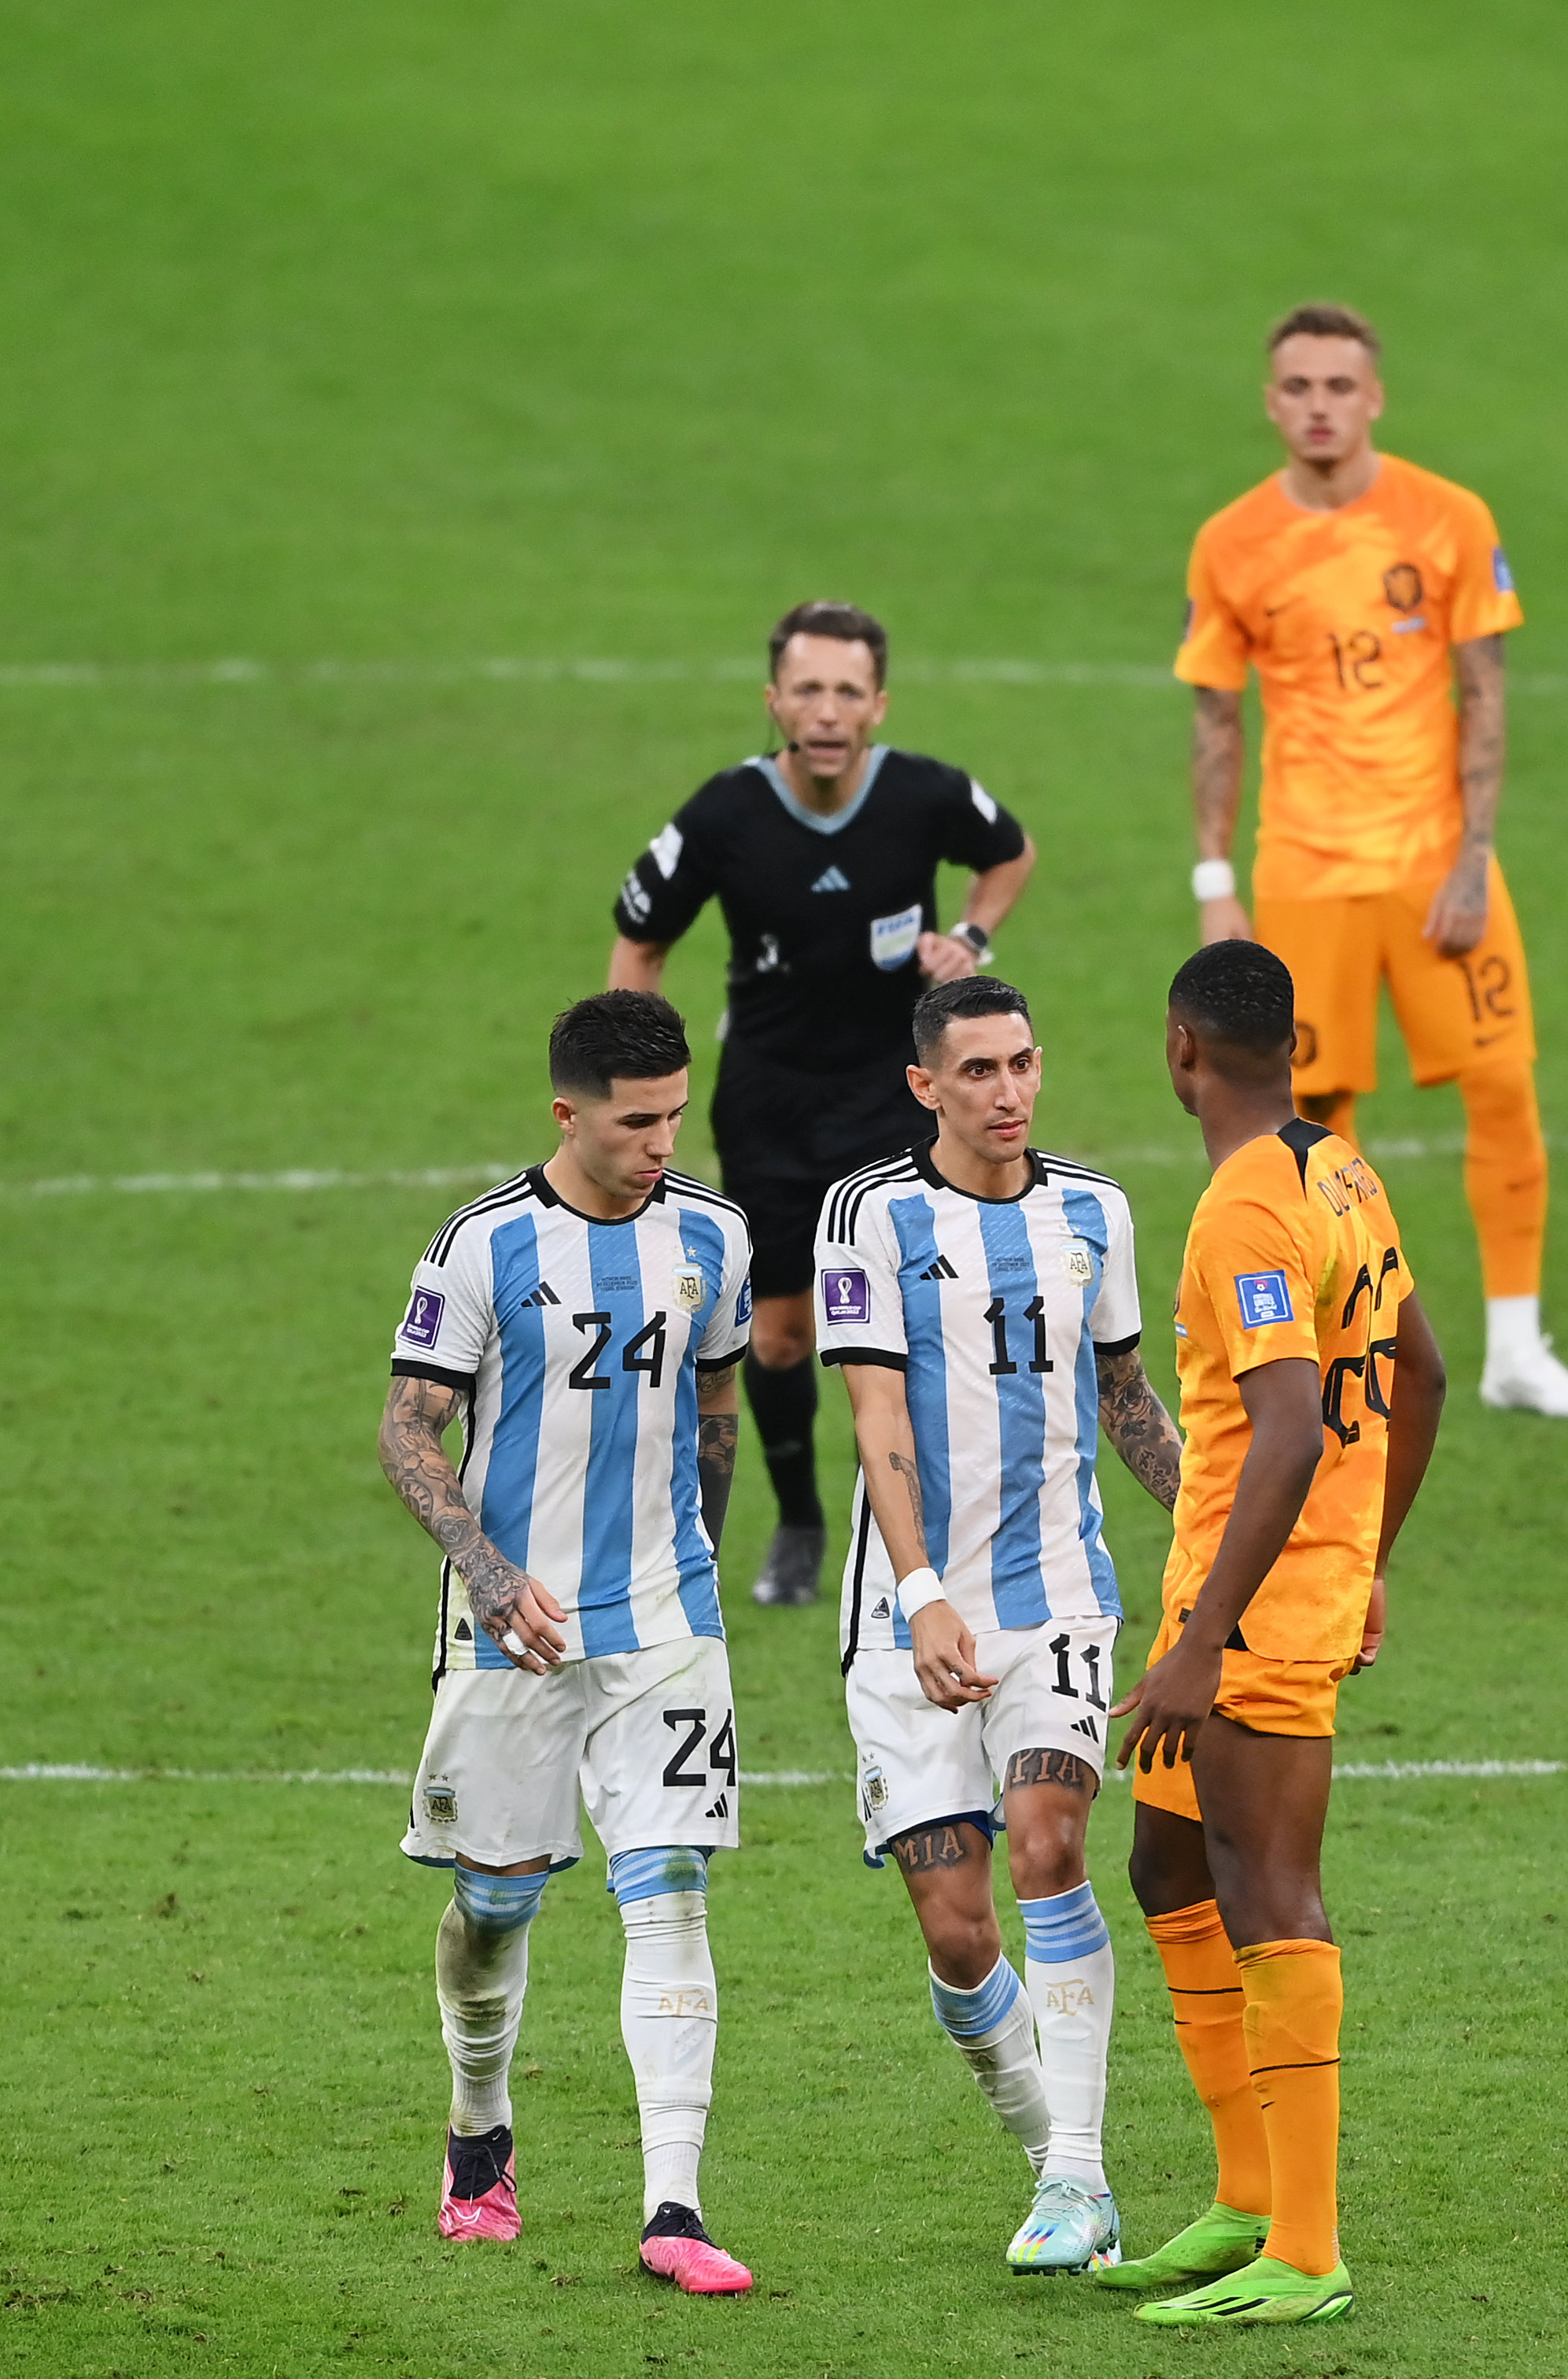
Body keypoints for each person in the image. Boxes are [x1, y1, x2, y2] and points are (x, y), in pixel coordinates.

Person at [375, 988, 759, 2295]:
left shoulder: (714, 1235)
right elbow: (407, 1430)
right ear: (567, 1111)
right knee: (496, 1901)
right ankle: (479, 2125)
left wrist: (692, 1565)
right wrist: (485, 1574)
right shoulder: (483, 1246)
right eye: (635, 1119)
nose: (662, 1139)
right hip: (515, 1631)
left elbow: (717, 1403)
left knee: (669, 1886)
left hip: (665, 1626)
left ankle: (675, 2201)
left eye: (673, 1113)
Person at [1097, 940, 1445, 2328]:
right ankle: (1247, 2192)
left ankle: (1306, 2245)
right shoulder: (1341, 1167)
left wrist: (1208, 1640)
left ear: (1183, 1046)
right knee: (1166, 1858)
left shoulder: (1245, 1210)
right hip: (1268, 1584)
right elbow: (1420, 1369)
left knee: (1267, 1884)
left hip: (1255, 1605)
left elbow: (1291, 1427)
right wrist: (1374, 1559)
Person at [811, 974, 1182, 2275]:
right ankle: (1056, 2164)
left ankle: (1078, 2170)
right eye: (977, 1070)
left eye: (1023, 1062)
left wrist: (1219, 1543)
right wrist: (921, 1598)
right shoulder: (867, 1214)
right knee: (960, 1932)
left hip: (1060, 1598)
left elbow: (1129, 1395)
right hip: (909, 1614)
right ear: (925, 1085)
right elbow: (877, 1418)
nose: (1009, 1090)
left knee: (1048, 1840)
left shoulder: (1098, 1210)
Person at [1179, 303, 1568, 1419]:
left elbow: (1485, 692)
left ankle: (1516, 1341)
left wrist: (1474, 854)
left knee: (1503, 1083)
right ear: (1270, 401)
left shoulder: (1448, 518)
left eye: (1338, 385)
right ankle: (1351, 1350)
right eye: (1297, 387)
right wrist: (1212, 878)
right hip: (1306, 873)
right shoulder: (1230, 541)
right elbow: (1217, 722)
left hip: (1432, 868)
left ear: (1374, 396)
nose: (1318, 405)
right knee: (1312, 1119)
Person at [611, 601, 1039, 1606]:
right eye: (807, 688)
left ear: (878, 704)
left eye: (848, 690)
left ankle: (918, 1535)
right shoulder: (723, 815)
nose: (827, 710)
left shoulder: (925, 795)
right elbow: (639, 935)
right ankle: (801, 1521)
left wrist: (969, 942)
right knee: (780, 1336)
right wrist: (641, 1079)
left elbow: (1008, 853)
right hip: (768, 1104)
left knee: (915, 1325)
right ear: (774, 700)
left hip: (897, 1094)